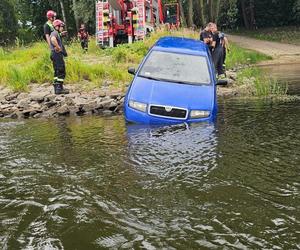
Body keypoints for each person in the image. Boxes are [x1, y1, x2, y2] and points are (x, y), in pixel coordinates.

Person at [50, 19, 69, 95]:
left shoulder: (56, 33)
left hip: (54, 54)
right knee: (61, 70)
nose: (62, 28)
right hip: (57, 54)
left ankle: (57, 88)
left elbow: (56, 37)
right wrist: (58, 47)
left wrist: (61, 35)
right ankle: (59, 89)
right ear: (57, 27)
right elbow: (53, 39)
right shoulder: (54, 33)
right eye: (61, 27)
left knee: (57, 71)